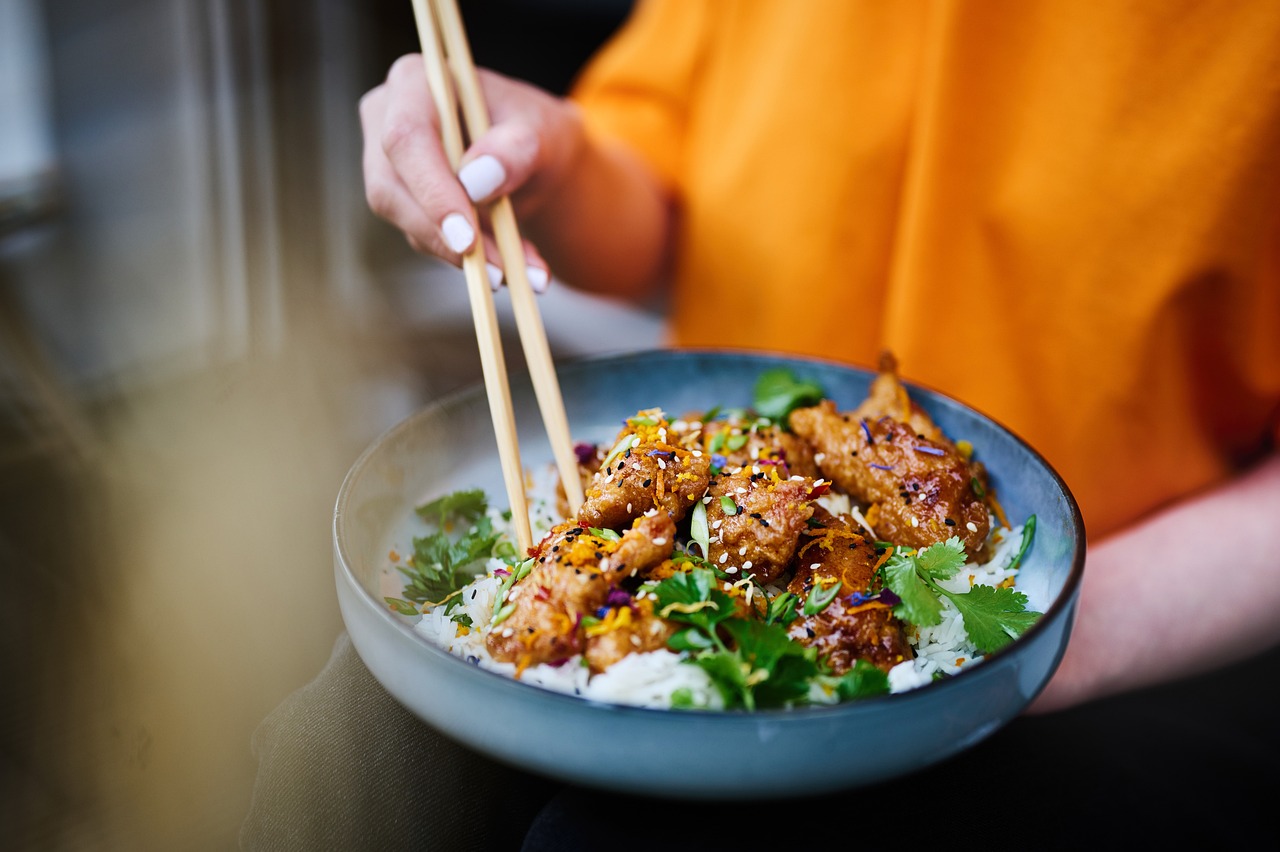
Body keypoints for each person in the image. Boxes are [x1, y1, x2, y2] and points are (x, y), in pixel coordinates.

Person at [243, 2, 1280, 848]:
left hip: (1135, 640)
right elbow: (662, 205)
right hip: (717, 475)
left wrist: (1035, 641)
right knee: (345, 750)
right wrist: (545, 163)